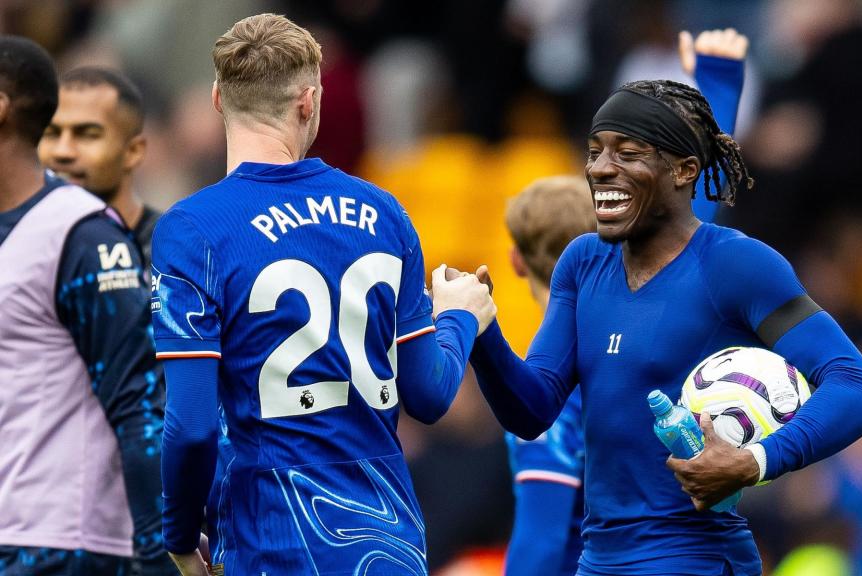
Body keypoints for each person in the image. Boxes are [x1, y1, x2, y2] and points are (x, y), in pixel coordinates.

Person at [444, 30, 862, 576]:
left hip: (696, 558)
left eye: (627, 153)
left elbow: (859, 387)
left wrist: (756, 461)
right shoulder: (583, 262)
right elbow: (533, 409)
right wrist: (483, 333)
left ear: (683, 170)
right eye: (594, 151)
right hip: (599, 560)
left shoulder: (736, 264)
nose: (600, 168)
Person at [151, 14, 495, 576]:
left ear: (217, 98)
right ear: (309, 101)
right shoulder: (386, 214)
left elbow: (189, 427)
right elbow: (429, 397)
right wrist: (458, 318)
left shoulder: (193, 229)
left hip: (272, 542)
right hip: (389, 546)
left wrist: (181, 539)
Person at [501, 29, 752, 576]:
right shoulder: (651, 301)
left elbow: (541, 542)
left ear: (517, 262)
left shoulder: (554, 388)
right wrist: (718, 81)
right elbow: (693, 198)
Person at [0, 36, 171, 574]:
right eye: (56, 133)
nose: (66, 149)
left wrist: (160, 547)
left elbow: (139, 402)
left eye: (87, 133)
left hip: (57, 542)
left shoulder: (83, 234)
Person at [39, 66, 161, 265]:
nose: (62, 151)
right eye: (52, 133)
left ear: (133, 152)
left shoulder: (172, 251)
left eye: (87, 135)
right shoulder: (16, 244)